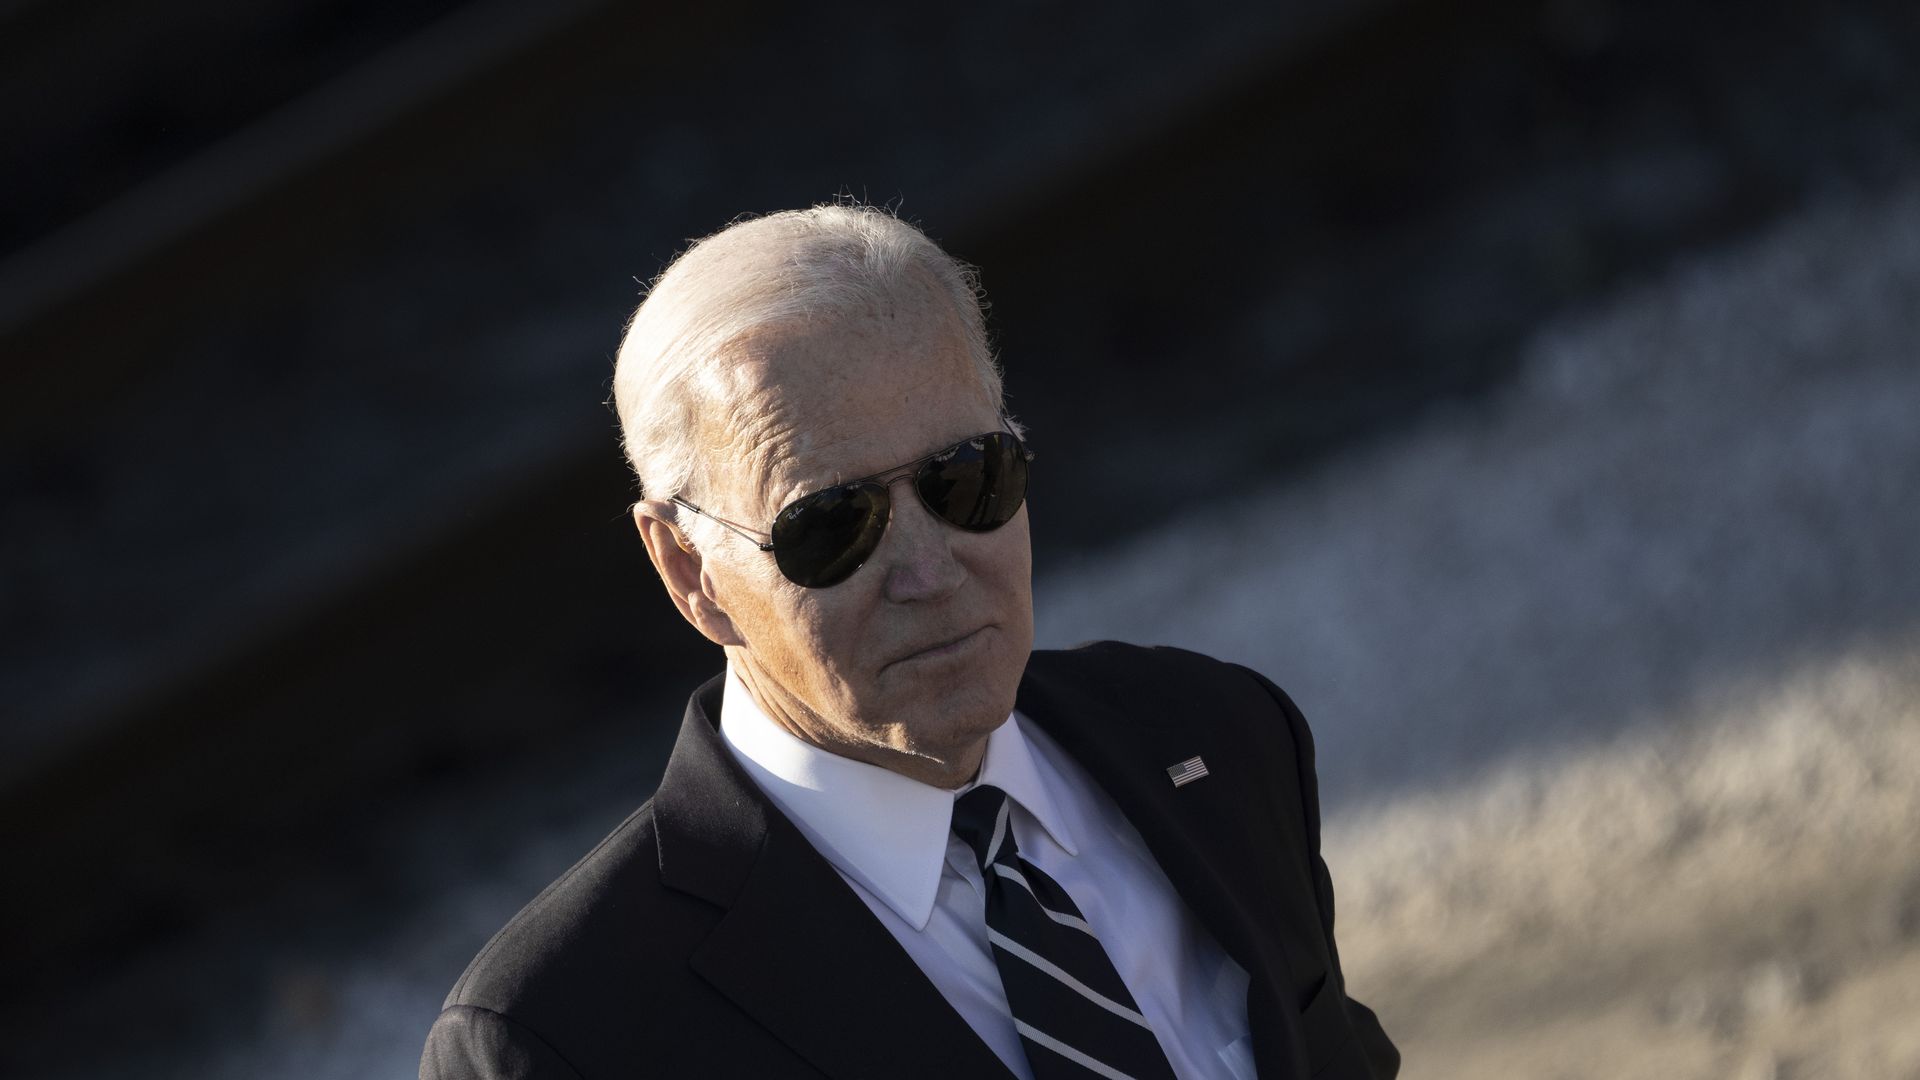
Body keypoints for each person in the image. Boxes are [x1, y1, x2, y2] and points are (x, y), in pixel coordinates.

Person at [420, 205, 1398, 1079]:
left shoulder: (1223, 738)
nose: (930, 571)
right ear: (689, 570)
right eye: (832, 525)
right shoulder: (558, 1037)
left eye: (967, 477)